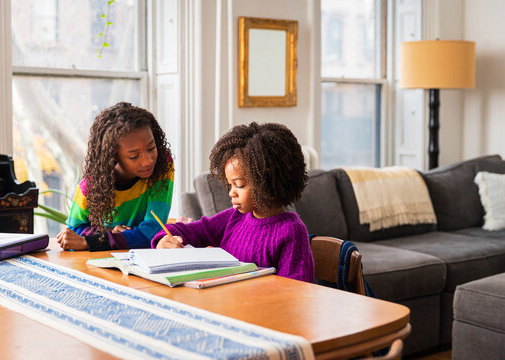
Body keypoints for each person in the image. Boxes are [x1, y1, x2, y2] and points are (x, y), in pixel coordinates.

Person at [152, 122, 314, 282]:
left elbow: (295, 292)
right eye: (230, 185)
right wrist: (163, 240)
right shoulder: (233, 217)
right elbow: (188, 230)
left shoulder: (291, 231)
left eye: (239, 185)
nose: (231, 192)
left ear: (267, 182)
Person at [57, 102, 174, 251]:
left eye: (151, 148)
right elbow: (73, 234)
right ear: (113, 157)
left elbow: (152, 232)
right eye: (134, 156)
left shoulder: (162, 165)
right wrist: (109, 233)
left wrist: (95, 241)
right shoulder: (90, 188)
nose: (148, 160)